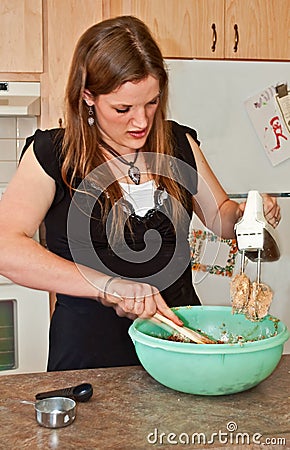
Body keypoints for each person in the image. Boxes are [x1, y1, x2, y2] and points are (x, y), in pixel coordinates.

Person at [0, 16, 280, 371]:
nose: (141, 122)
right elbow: (6, 246)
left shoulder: (178, 143)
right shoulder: (54, 155)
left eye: (151, 103)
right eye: (123, 109)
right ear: (88, 96)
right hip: (91, 357)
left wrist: (248, 214)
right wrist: (110, 286)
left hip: (178, 344)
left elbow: (220, 216)